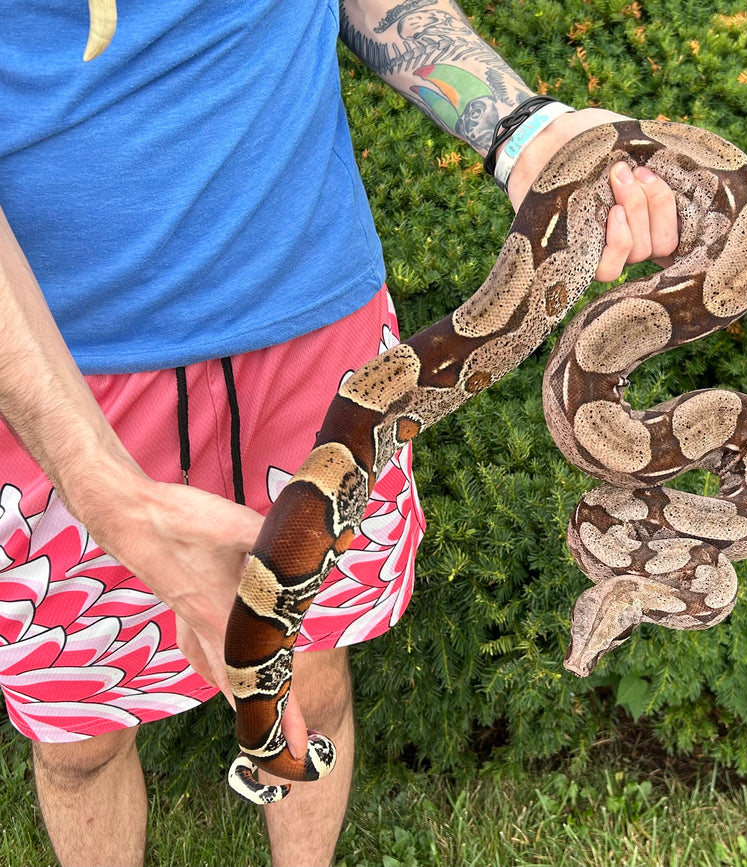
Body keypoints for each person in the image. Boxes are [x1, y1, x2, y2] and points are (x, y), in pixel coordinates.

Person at [0, 1, 678, 864]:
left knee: (314, 679)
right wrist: (100, 486)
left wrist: (521, 126)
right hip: (48, 372)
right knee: (79, 739)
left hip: (323, 343)